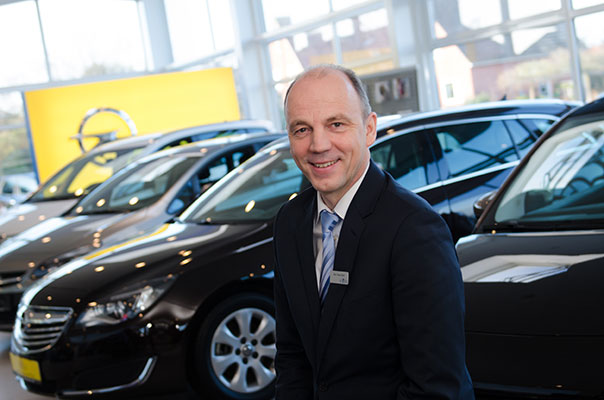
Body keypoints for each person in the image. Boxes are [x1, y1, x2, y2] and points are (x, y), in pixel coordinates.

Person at [272, 64, 475, 399]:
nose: (318, 145)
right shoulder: (289, 222)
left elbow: (437, 386)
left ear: (369, 130)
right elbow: (292, 356)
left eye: (336, 124)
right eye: (302, 129)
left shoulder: (415, 230)